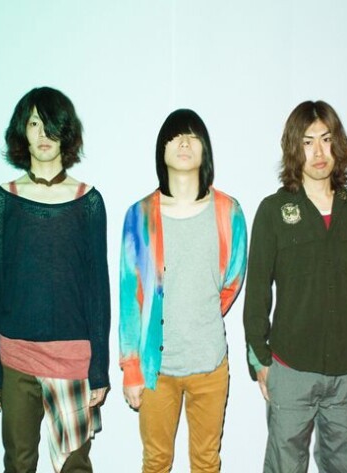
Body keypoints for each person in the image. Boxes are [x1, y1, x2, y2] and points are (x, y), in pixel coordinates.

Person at [243, 100, 347, 472]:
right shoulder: (273, 211)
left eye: (326, 139)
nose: (319, 152)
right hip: (290, 368)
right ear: (294, 148)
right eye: (308, 142)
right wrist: (260, 358)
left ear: (338, 144)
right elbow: (256, 292)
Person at [0, 86, 110, 472]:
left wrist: (99, 367)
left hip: (74, 358)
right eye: (34, 123)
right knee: (18, 463)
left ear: (66, 132)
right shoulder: (3, 199)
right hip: (15, 357)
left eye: (51, 124)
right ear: (22, 131)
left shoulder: (89, 200)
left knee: (75, 465)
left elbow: (98, 290)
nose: (43, 134)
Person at [119, 109, 247, 472]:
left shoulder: (229, 212)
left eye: (193, 136)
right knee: (156, 462)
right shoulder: (139, 215)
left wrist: (199, 315)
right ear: (162, 151)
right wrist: (131, 368)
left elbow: (231, 281)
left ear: (205, 150)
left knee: (206, 462)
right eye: (175, 137)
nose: (184, 143)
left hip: (210, 364)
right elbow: (130, 297)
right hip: (156, 369)